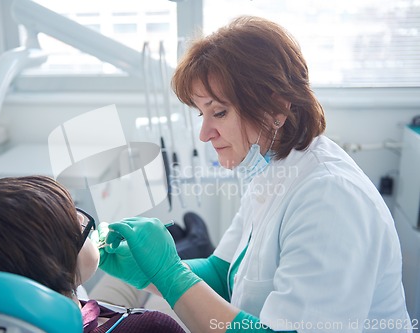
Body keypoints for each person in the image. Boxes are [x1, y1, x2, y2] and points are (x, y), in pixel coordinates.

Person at [97, 16, 412, 333]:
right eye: (201, 114)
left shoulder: (330, 199)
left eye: (219, 112)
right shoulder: (270, 168)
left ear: (276, 108)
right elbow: (223, 275)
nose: (204, 134)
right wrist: (149, 270)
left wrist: (170, 272)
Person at [0, 175, 185, 333]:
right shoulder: (152, 327)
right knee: (159, 295)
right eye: (74, 219)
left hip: (91, 312)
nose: (85, 223)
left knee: (120, 281)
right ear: (52, 263)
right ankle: (189, 245)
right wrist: (169, 274)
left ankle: (188, 244)